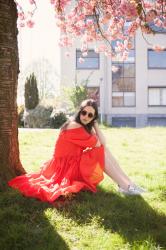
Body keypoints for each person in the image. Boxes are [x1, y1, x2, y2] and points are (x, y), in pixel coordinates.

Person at [8, 99, 145, 203]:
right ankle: (125, 186)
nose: (86, 116)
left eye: (90, 115)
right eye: (84, 112)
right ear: (80, 111)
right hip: (66, 169)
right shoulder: (74, 126)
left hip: (71, 163)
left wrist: (94, 124)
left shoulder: (82, 125)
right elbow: (100, 143)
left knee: (104, 150)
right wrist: (95, 125)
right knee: (101, 151)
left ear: (93, 117)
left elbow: (102, 143)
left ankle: (128, 184)